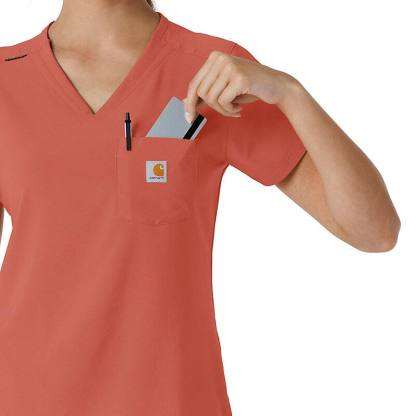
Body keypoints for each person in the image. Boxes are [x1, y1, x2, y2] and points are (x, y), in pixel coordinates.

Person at [0, 0, 400, 415]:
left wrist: (291, 94)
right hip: (23, 398)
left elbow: (375, 231)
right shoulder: (5, 79)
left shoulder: (213, 73)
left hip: (173, 400)